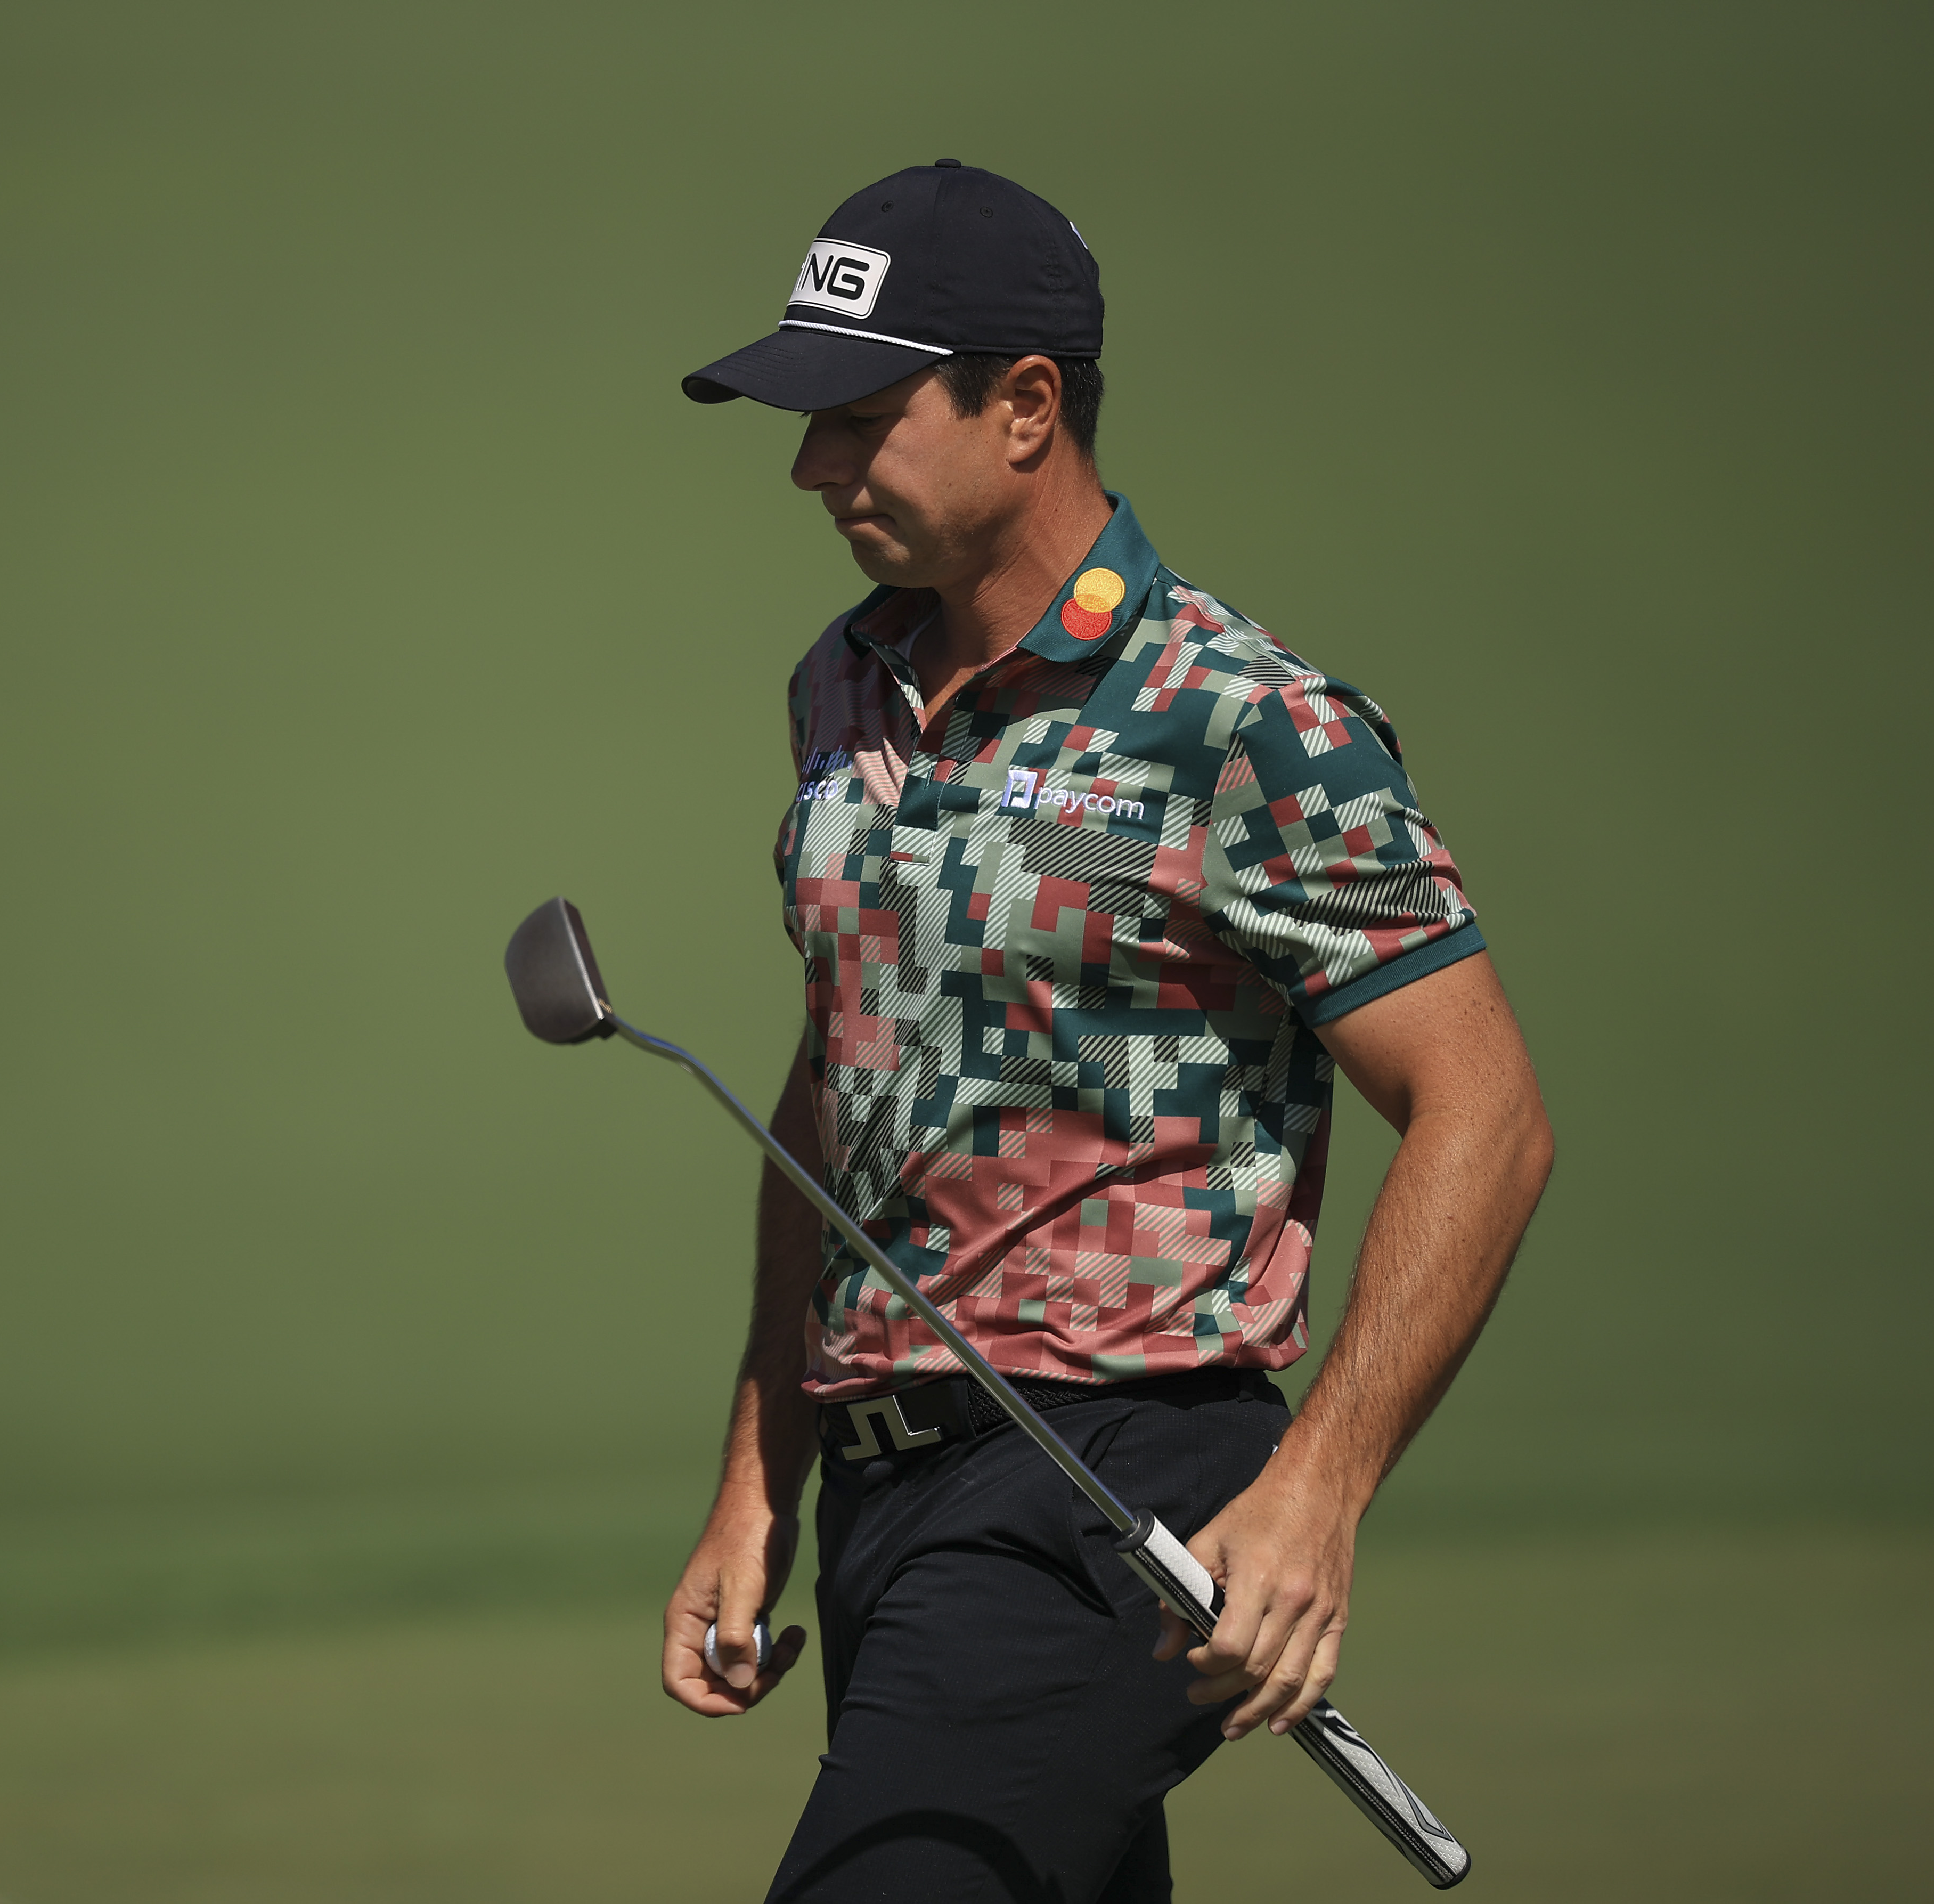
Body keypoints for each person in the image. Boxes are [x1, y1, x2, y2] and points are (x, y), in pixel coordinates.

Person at [664, 161, 1554, 1902]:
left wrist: (1319, 1491)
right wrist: (756, 1472)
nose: (810, 467)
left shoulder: (1242, 728)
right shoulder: (841, 690)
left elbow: (1485, 1112)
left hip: (1114, 1481)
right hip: (886, 1500)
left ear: (1023, 408)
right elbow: (837, 1088)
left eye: (856, 417)